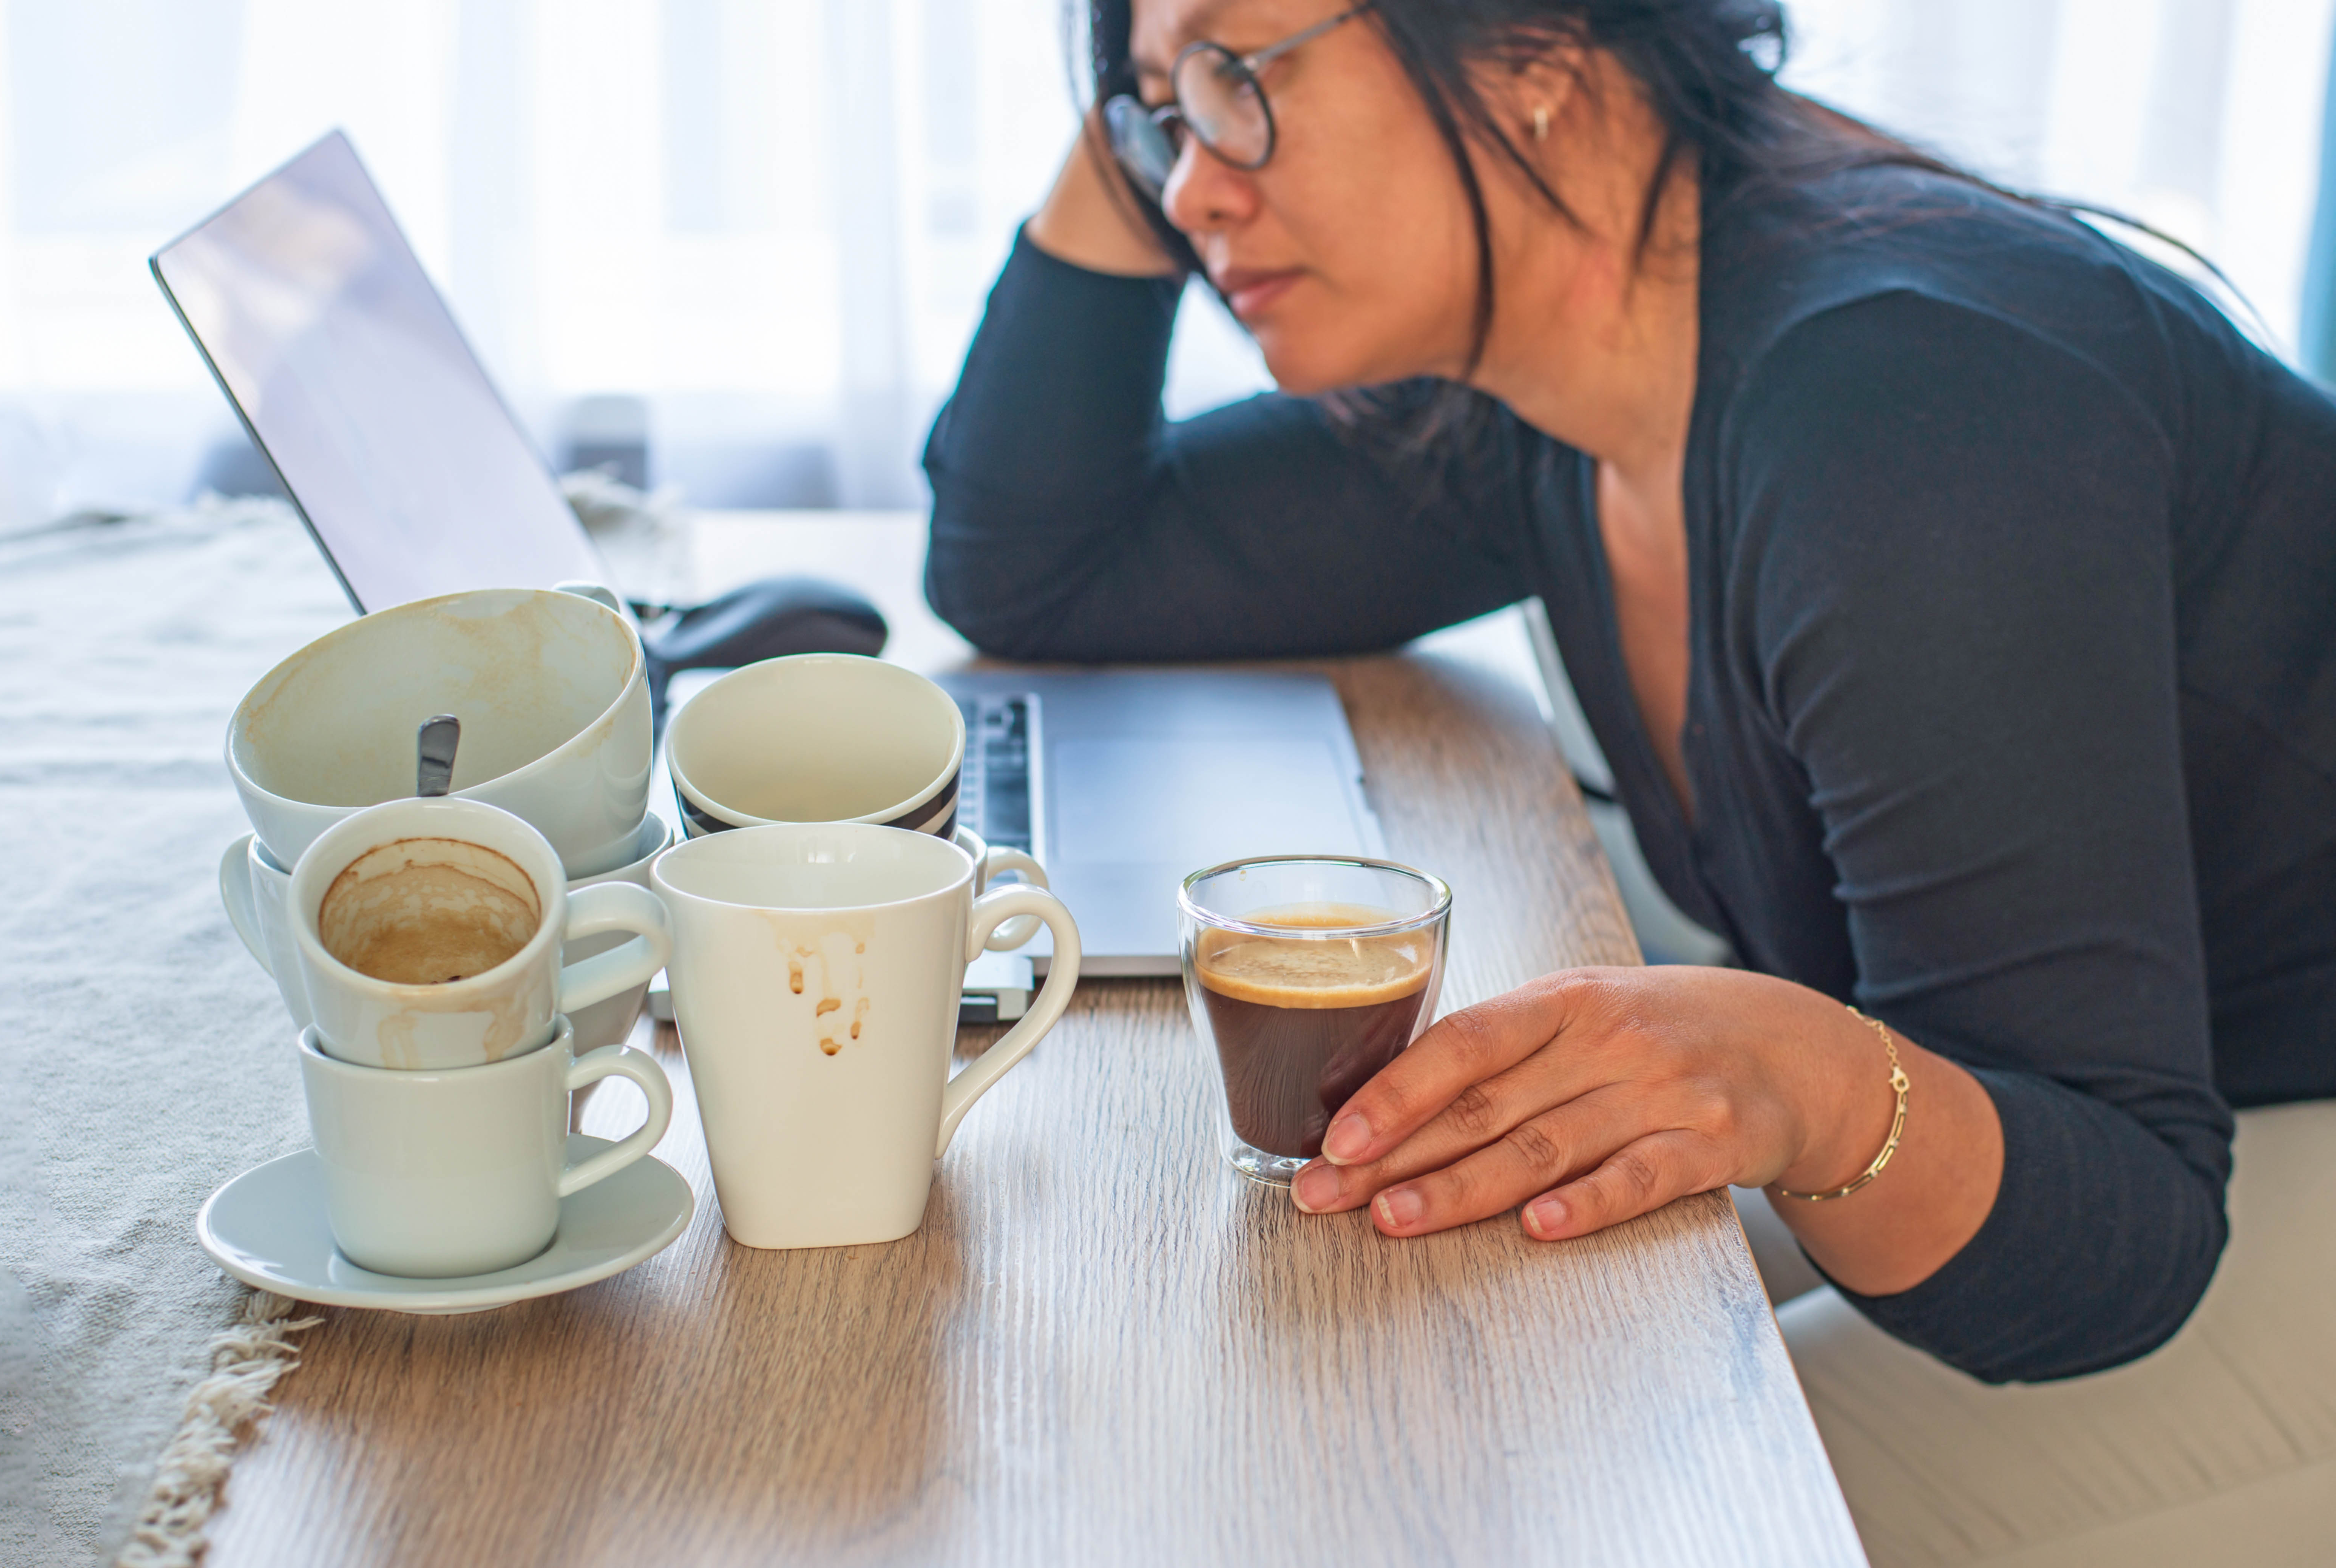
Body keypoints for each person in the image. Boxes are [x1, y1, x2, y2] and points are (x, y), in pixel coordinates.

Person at [921, 2, 2336, 1560]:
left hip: (2234, 1157)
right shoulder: (1552, 389)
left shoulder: (1902, 409)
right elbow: (1040, 559)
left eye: (1239, 83)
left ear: (1536, 50)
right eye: (1156, 121)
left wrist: (1799, 1077)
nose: (1186, 189)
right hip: (2135, 1120)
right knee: (1403, 1386)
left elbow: (2120, 1236)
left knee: (1600, 1508)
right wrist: (1172, 95)